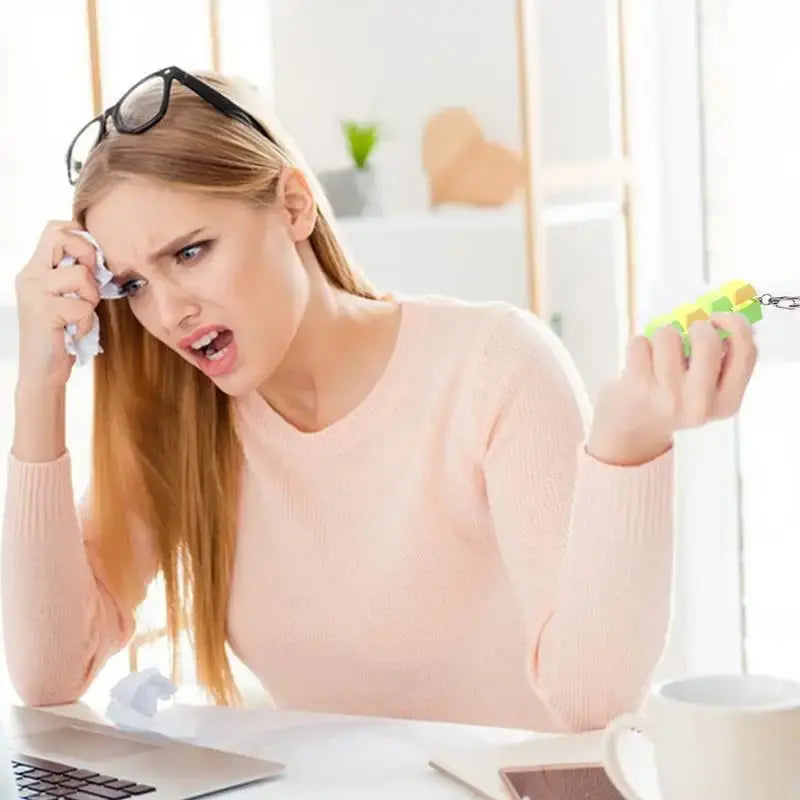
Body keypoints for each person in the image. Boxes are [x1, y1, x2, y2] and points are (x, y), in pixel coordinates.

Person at [3, 66, 757, 734]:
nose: (168, 314)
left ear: (293, 207)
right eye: (132, 285)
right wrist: (38, 384)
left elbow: (590, 701)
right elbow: (49, 674)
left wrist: (627, 444)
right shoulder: (183, 423)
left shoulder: (493, 368)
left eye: (190, 252)